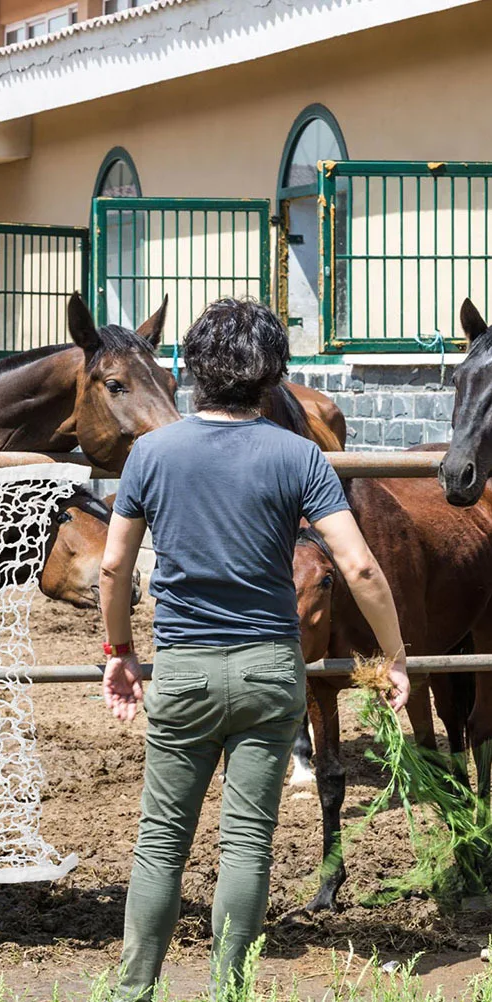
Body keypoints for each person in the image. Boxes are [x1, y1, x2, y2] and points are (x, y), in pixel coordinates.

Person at [98, 298, 409, 1000]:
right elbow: (358, 567)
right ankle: (228, 989)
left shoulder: (152, 452)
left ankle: (133, 992)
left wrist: (119, 647)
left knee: (160, 844)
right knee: (246, 844)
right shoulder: (300, 455)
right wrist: (394, 655)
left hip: (183, 666)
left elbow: (115, 568)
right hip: (271, 668)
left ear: (191, 369)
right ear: (272, 373)